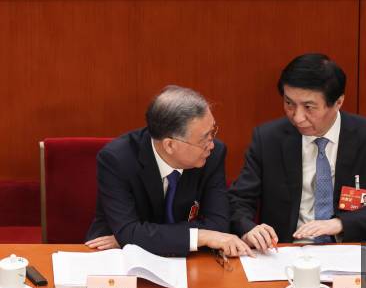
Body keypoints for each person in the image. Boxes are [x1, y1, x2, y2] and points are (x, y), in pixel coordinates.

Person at [228, 53, 366, 251]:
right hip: (284, 251)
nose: (297, 117)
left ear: (338, 102)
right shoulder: (268, 138)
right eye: (289, 103)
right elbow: (239, 199)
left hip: (351, 249)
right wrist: (249, 228)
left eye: (309, 107)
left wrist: (338, 224)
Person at [85, 85, 252, 257]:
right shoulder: (117, 160)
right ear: (170, 145)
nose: (211, 144)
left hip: (187, 258)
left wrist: (137, 237)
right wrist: (201, 235)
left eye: (212, 132)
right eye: (204, 138)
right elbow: (128, 231)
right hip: (118, 255)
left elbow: (218, 225)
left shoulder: (213, 155)